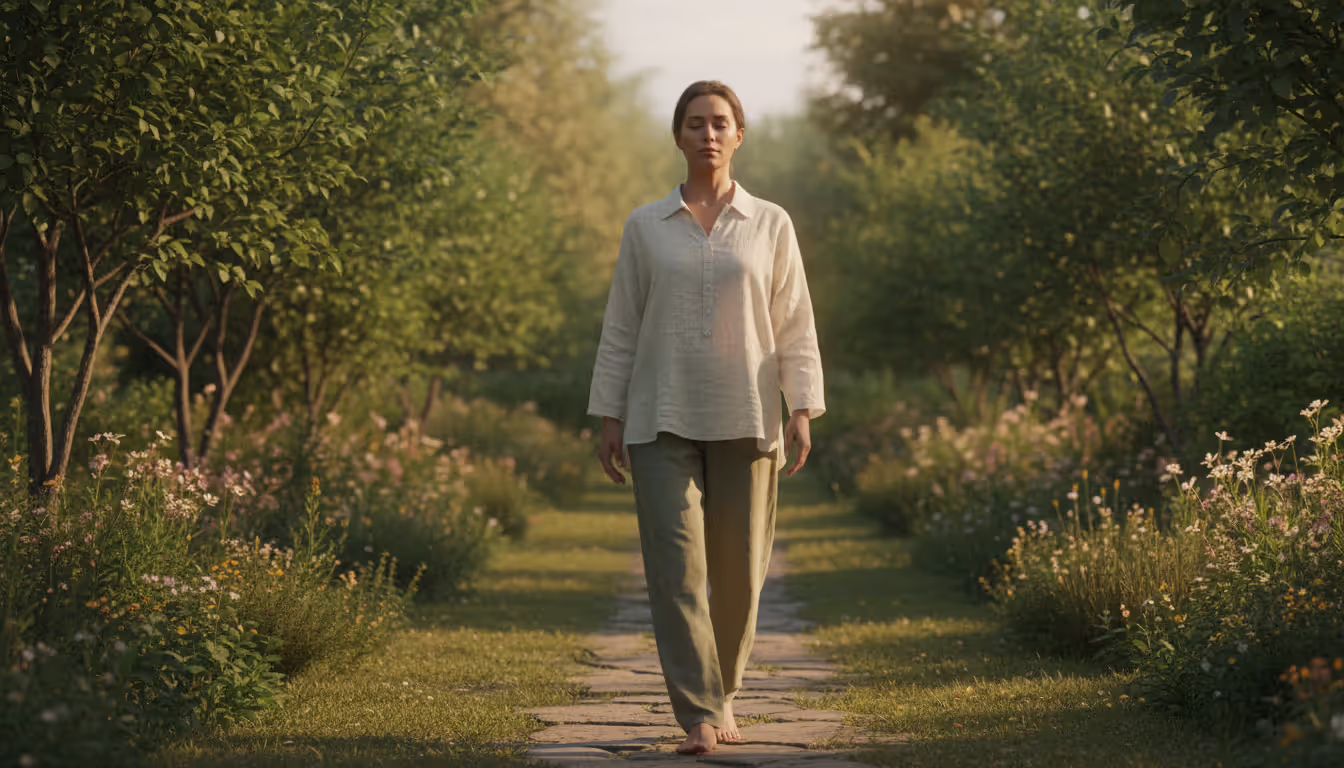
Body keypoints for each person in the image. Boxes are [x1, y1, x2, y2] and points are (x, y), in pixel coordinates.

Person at [587, 80, 825, 755]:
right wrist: (607, 412)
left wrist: (801, 404)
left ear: (739, 135)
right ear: (679, 135)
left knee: (741, 573)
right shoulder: (645, 225)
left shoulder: (771, 223)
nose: (708, 134)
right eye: (695, 123)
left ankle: (723, 690)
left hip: (748, 413)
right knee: (676, 566)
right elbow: (621, 326)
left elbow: (795, 319)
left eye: (720, 123)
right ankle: (699, 710)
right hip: (658, 414)